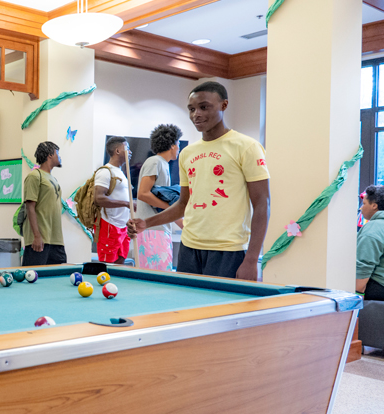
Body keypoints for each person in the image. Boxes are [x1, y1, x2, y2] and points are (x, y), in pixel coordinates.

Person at [127, 81, 270, 280]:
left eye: (204, 107)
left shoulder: (246, 147)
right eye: (192, 109)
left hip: (228, 250)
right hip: (189, 248)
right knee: (188, 309)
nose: (196, 114)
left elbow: (262, 204)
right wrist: (146, 223)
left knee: (222, 310)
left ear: (224, 105)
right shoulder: (187, 153)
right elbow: (184, 204)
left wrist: (252, 259)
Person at [134, 124, 183, 270]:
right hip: (152, 232)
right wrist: (171, 208)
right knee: (157, 278)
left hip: (159, 230)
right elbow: (143, 193)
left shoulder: (163, 164)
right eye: (179, 144)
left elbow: (161, 203)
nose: (179, 148)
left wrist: (181, 222)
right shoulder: (155, 161)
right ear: (172, 145)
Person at [22, 141, 66, 266]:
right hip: (39, 240)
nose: (60, 156)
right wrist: (36, 236)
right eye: (57, 153)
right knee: (33, 279)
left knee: (59, 278)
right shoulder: (34, 176)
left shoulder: (53, 179)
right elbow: (30, 207)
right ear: (50, 155)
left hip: (56, 240)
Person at [94, 136, 136, 264]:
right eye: (127, 148)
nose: (130, 152)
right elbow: (98, 199)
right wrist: (126, 204)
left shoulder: (120, 172)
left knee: (119, 266)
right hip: (109, 226)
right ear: (117, 151)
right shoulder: (105, 172)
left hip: (123, 226)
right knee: (107, 267)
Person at [356, 185, 384, 299]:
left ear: (374, 205)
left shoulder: (373, 229)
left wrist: (358, 294)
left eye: (364, 204)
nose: (361, 208)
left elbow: (363, 266)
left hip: (377, 289)